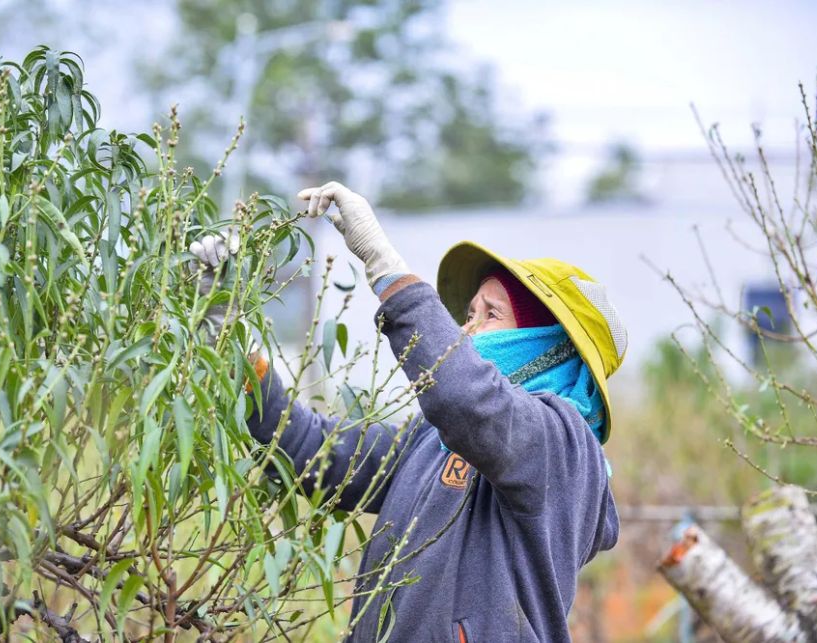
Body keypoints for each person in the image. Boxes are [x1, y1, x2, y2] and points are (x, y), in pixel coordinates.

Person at [191, 182, 625, 642]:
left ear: (546, 347)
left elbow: (464, 396)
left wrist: (386, 267)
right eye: (469, 312)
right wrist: (233, 341)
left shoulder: (565, 446)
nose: (468, 328)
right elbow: (311, 449)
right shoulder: (435, 439)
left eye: (491, 314)